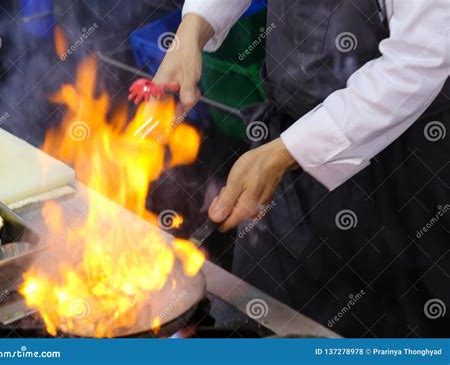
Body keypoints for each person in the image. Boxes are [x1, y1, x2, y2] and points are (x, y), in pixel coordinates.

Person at [154, 0, 450, 337]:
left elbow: (417, 61)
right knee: (263, 318)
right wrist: (193, 27)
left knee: (395, 329)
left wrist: (288, 151)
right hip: (286, 146)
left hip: (398, 159)